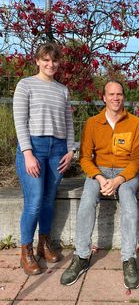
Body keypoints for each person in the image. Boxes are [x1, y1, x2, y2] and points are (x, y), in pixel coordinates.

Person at [60, 80, 139, 289]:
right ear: (104, 98)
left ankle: (128, 258)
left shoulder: (135, 123)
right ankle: (81, 256)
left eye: (119, 94)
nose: (116, 98)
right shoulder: (92, 123)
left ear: (123, 97)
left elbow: (136, 160)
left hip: (127, 173)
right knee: (87, 201)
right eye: (111, 94)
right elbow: (86, 158)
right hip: (100, 171)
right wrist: (100, 178)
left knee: (128, 201)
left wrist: (117, 180)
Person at [13, 42, 75, 275]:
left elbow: (68, 123)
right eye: (45, 60)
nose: (50, 64)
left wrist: (70, 150)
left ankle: (44, 243)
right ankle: (26, 250)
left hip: (58, 150)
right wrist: (27, 153)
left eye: (54, 60)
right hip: (34, 148)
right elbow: (20, 121)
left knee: (49, 200)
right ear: (37, 61)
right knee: (35, 201)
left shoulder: (63, 90)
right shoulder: (25, 85)